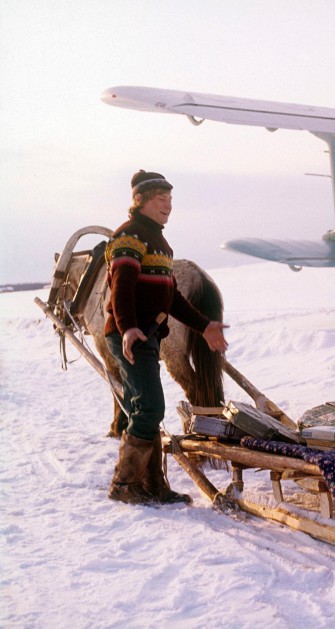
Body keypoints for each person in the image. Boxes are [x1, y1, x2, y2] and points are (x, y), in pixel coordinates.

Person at [105, 170, 228, 506]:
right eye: (161, 200)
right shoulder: (129, 237)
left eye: (170, 200)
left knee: (146, 408)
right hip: (131, 336)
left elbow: (171, 297)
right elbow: (122, 287)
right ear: (140, 202)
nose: (168, 206)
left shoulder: (158, 241)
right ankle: (124, 484)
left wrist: (205, 326)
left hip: (148, 335)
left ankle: (154, 485)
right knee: (150, 407)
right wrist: (128, 326)